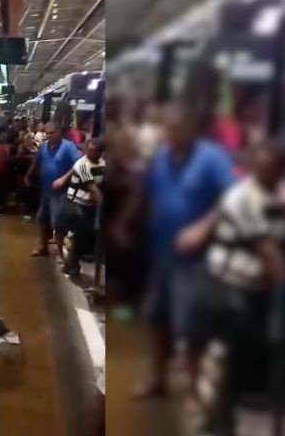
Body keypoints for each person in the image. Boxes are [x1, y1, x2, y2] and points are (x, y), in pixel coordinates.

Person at [121, 102, 236, 401]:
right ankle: (158, 379)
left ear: (191, 129)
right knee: (157, 318)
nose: (169, 134)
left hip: (196, 261)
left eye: (175, 128)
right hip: (162, 253)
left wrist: (202, 228)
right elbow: (144, 190)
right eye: (166, 129)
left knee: (192, 325)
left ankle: (195, 385)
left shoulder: (212, 159)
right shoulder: (161, 156)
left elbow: (232, 200)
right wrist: (125, 222)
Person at [200, 142, 285, 434]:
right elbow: (269, 253)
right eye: (260, 168)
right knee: (236, 353)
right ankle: (219, 418)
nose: (266, 174)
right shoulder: (241, 197)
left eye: (272, 169)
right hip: (231, 285)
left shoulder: (277, 191)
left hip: (260, 287)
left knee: (256, 353)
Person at [25, 120, 81, 263]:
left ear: (58, 132)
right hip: (46, 191)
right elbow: (36, 162)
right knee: (42, 219)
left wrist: (64, 178)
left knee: (58, 223)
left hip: (61, 193)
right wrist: (29, 175)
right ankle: (43, 247)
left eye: (51, 133)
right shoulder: (44, 147)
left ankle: (60, 253)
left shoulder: (68, 147)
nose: (48, 136)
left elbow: (79, 165)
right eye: (46, 133)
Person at [54, 138, 105, 279]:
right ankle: (72, 267)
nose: (88, 152)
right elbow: (93, 189)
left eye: (93, 150)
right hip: (76, 204)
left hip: (90, 205)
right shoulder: (83, 164)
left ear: (100, 153)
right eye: (88, 149)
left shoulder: (102, 163)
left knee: (82, 238)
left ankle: (70, 265)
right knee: (79, 237)